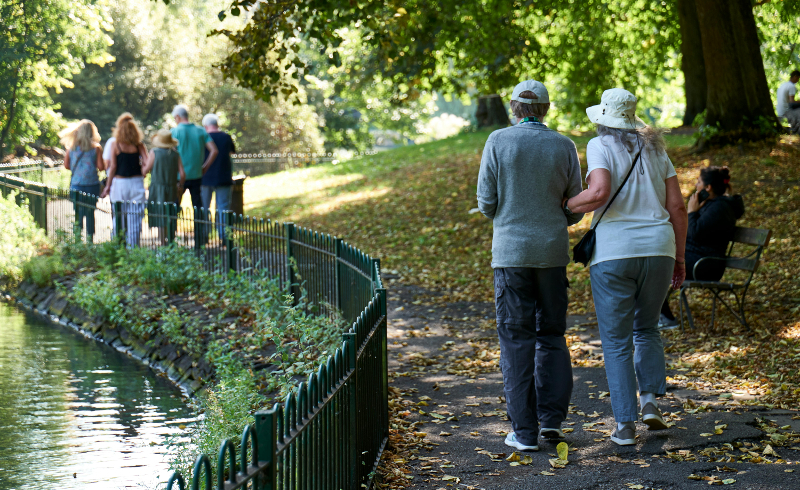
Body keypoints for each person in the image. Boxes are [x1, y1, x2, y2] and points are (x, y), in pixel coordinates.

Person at [563, 88, 687, 446]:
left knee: (617, 342)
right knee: (647, 329)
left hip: (614, 253)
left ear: (603, 119)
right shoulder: (658, 149)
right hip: (659, 250)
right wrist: (679, 257)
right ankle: (650, 402)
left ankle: (625, 426)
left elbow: (599, 192)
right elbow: (677, 207)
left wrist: (566, 204)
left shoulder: (599, 146)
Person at [477, 80, 585, 452]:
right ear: (546, 109)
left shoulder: (498, 141)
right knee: (552, 336)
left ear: (513, 108)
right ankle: (552, 423)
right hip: (552, 254)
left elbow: (486, 201)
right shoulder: (564, 145)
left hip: (511, 255)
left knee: (516, 341)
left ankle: (524, 432)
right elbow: (574, 203)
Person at [660, 167, 744, 326]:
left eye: (698, 182)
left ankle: (665, 318)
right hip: (696, 259)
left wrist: (692, 212)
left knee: (656, 265)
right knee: (651, 261)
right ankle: (658, 315)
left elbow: (694, 233)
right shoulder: (711, 205)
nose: (696, 185)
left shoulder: (720, 208)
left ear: (708, 187)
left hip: (705, 265)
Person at [100, 113, 149, 247]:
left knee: (119, 217)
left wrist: (107, 186)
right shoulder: (139, 145)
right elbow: (147, 162)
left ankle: (116, 247)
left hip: (120, 184)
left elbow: (113, 166)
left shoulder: (115, 145)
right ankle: (133, 249)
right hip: (137, 183)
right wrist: (143, 173)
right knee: (135, 219)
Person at [60, 119, 104, 242]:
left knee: (78, 214)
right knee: (90, 213)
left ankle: (77, 240)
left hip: (76, 185)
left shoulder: (71, 148)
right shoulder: (96, 148)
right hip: (92, 185)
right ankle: (90, 240)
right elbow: (101, 167)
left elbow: (66, 165)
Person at [170, 105, 218, 211]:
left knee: (174, 206)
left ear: (177, 117)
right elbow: (214, 150)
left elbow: (170, 153)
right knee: (198, 207)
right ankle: (200, 228)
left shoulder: (174, 132)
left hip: (179, 176)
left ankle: (171, 227)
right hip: (196, 174)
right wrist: (204, 167)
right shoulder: (200, 131)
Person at [143, 129, 185, 245]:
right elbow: (182, 174)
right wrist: (179, 186)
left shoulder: (154, 152)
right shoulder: (175, 154)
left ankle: (162, 244)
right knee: (170, 214)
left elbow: (146, 170)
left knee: (160, 215)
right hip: (171, 188)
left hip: (157, 189)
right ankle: (170, 241)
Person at [201, 113, 236, 242]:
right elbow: (232, 151)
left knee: (203, 208)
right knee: (223, 208)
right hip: (224, 177)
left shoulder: (204, 137)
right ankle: (225, 237)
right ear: (217, 124)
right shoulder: (226, 137)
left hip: (205, 178)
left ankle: (204, 236)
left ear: (206, 126)